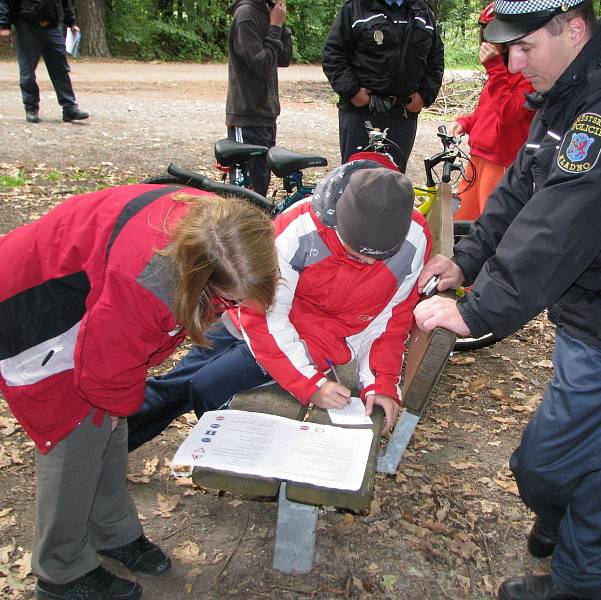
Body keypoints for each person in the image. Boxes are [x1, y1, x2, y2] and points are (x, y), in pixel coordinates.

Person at [413, 1, 601, 599]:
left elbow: (559, 223)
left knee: (546, 465)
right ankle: (580, 581)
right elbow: (525, 186)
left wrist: (476, 313)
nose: (514, 63)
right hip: (599, 302)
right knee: (594, 451)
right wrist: (465, 260)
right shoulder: (575, 87)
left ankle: (557, 517)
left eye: (524, 47)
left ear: (573, 29)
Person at [0, 184, 278, 600]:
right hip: (36, 305)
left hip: (91, 298)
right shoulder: (149, 281)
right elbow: (106, 368)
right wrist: (117, 402)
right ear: (200, 277)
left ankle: (110, 530)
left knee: (109, 429)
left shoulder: (223, 231)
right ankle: (61, 570)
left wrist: (119, 405)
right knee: (76, 434)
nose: (233, 307)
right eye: (229, 299)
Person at [127, 162, 431, 451]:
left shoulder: (415, 239)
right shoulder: (297, 230)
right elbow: (262, 314)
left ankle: (230, 457)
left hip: (314, 340)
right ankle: (109, 444)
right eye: (356, 252)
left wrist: (381, 383)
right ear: (338, 221)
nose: (367, 263)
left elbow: (391, 321)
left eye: (381, 256)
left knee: (206, 386)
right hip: (258, 318)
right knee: (180, 382)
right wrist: (311, 385)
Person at [322, 0, 445, 172]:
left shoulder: (423, 13)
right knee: (356, 180)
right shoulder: (356, 8)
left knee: (392, 182)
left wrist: (425, 95)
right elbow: (332, 55)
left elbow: (436, 59)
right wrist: (352, 91)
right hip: (362, 112)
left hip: (402, 113)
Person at [451, 1, 535, 221]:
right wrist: (466, 123)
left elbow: (508, 114)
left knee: (491, 224)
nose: (486, 41)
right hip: (477, 157)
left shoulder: (527, 76)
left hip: (501, 162)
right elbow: (486, 112)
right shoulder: (498, 74)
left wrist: (495, 68)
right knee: (460, 219)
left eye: (492, 35)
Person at [226, 0, 292, 197]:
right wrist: (275, 27)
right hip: (247, 115)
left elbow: (284, 58)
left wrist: (281, 23)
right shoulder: (246, 15)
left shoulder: (266, 11)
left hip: (266, 115)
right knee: (245, 195)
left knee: (260, 186)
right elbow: (261, 64)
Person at [0, 0, 89, 123]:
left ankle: (69, 108)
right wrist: (4, 25)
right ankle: (31, 108)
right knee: (28, 71)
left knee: (61, 70)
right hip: (27, 26)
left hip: (53, 26)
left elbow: (65, 2)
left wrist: (71, 22)